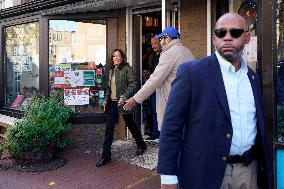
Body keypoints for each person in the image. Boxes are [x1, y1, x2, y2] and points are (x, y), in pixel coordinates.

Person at [157, 13, 272, 189]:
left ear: (247, 37)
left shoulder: (253, 79)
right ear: (213, 38)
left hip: (248, 171)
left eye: (235, 32)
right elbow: (171, 126)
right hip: (205, 172)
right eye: (220, 33)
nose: (227, 37)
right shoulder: (192, 73)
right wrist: (168, 175)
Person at [123, 27, 195, 132]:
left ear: (168, 39)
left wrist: (136, 99)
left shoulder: (170, 53)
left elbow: (154, 80)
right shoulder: (188, 52)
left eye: (161, 39)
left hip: (172, 104)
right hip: (187, 103)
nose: (160, 42)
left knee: (171, 140)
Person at [96, 49, 147, 167]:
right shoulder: (110, 70)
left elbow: (134, 83)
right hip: (113, 103)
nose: (116, 58)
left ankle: (141, 145)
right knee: (109, 128)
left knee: (131, 125)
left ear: (122, 57)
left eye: (118, 56)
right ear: (112, 58)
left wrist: (124, 96)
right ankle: (105, 155)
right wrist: (104, 99)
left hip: (123, 102)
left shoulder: (127, 68)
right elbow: (107, 86)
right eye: (114, 56)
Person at [144, 37, 162, 140]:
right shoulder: (151, 56)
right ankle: (155, 133)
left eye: (155, 43)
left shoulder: (166, 55)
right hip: (154, 87)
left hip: (163, 87)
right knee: (154, 109)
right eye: (152, 44)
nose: (153, 46)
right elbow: (151, 70)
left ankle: (162, 133)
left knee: (163, 110)